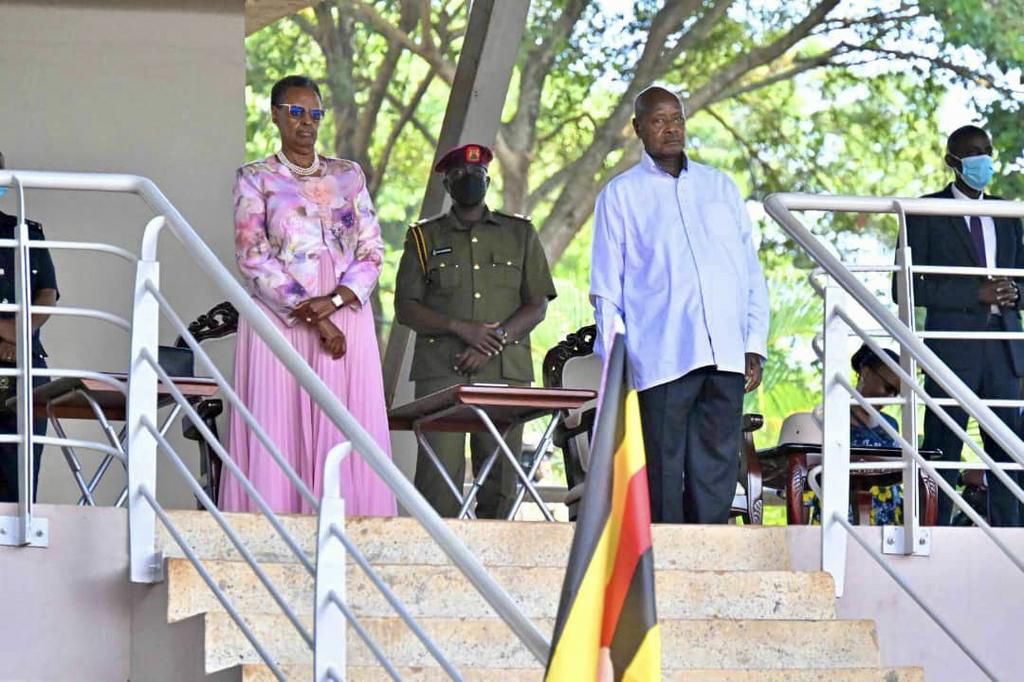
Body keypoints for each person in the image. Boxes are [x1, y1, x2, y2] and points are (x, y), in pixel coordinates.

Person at [590, 85, 770, 524]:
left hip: (726, 355)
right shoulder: (621, 195)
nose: (670, 128)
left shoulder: (721, 187)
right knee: (663, 476)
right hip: (662, 357)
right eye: (658, 120)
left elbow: (749, 271)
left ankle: (708, 562)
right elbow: (606, 289)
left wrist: (754, 343)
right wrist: (616, 362)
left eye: (677, 118)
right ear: (638, 128)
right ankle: (666, 568)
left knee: (717, 471)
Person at [220, 75, 396, 516]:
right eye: (295, 112)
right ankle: (276, 520)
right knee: (281, 420)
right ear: (276, 115)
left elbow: (372, 249)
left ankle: (353, 524)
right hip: (286, 315)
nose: (306, 123)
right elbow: (253, 257)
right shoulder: (255, 178)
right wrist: (316, 317)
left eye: (314, 113)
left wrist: (336, 301)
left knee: (345, 420)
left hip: (346, 310)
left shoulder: (348, 175)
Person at [394, 143, 557, 518]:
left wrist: (489, 344)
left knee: (502, 477)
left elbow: (538, 304)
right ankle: (438, 561)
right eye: (461, 177)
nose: (471, 181)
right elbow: (406, 307)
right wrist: (460, 328)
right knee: (439, 480)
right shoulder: (424, 238)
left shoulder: (520, 233)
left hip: (504, 370)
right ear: (448, 185)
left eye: (478, 176)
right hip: (442, 372)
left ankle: (496, 565)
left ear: (488, 179)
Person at [894, 125, 1024, 527]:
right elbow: (906, 288)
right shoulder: (924, 211)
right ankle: (932, 532)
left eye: (987, 150)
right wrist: (976, 294)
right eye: (973, 153)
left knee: (1009, 451)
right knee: (942, 445)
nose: (983, 159)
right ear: (953, 162)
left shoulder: (1010, 213)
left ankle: (1012, 536)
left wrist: (1012, 292)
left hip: (1004, 349)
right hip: (951, 349)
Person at [0, 150, 59, 503]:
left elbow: (46, 296)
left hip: (24, 364)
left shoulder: (26, 232)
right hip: (11, 355)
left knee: (19, 476)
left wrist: (17, 338)